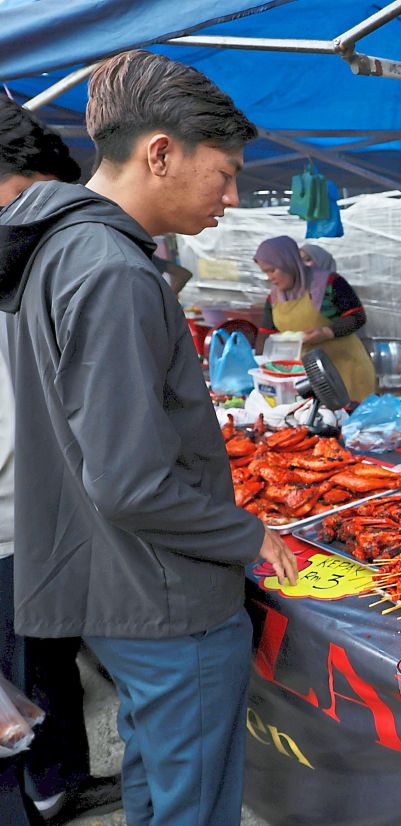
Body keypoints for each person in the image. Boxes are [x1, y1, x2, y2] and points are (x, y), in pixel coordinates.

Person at [0, 50, 299, 826]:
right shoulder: (112, 271)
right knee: (192, 803)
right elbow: (131, 482)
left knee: (159, 777)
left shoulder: (56, 252)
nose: (233, 197)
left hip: (110, 580)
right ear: (160, 153)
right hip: (165, 597)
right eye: (226, 173)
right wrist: (246, 533)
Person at [0, 97, 124, 826]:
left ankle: (62, 786)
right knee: (16, 710)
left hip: (44, 525)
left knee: (49, 675)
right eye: (29, 198)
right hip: (9, 536)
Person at [254, 236, 376, 401]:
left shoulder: (330, 283)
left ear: (288, 263)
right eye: (265, 272)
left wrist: (326, 332)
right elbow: (266, 333)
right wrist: (261, 367)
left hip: (346, 369)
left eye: (272, 270)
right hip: (309, 376)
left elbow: (357, 316)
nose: (270, 277)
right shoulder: (274, 298)